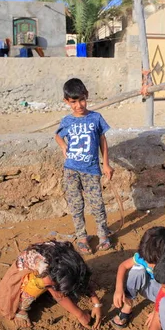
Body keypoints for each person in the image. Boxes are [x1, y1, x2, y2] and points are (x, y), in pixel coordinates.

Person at [0, 240, 103, 329]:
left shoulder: (69, 260)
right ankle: (22, 308)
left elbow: (82, 277)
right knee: (40, 282)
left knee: (72, 280)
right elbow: (59, 296)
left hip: (48, 269)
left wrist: (96, 303)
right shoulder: (46, 272)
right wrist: (80, 314)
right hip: (23, 276)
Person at [55, 78, 114, 254]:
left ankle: (103, 234)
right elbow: (57, 135)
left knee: (97, 204)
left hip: (91, 170)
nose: (78, 105)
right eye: (73, 102)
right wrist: (63, 145)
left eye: (81, 100)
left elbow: (103, 140)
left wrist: (106, 164)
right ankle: (81, 236)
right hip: (71, 169)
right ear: (67, 101)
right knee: (76, 205)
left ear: (86, 96)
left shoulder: (96, 118)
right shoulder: (67, 121)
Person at [111, 226, 165, 330]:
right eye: (147, 260)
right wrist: (118, 289)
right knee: (137, 269)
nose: (149, 264)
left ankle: (161, 311)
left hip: (163, 293)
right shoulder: (143, 256)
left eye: (153, 263)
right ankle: (128, 305)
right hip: (147, 286)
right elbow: (123, 266)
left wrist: (157, 311)